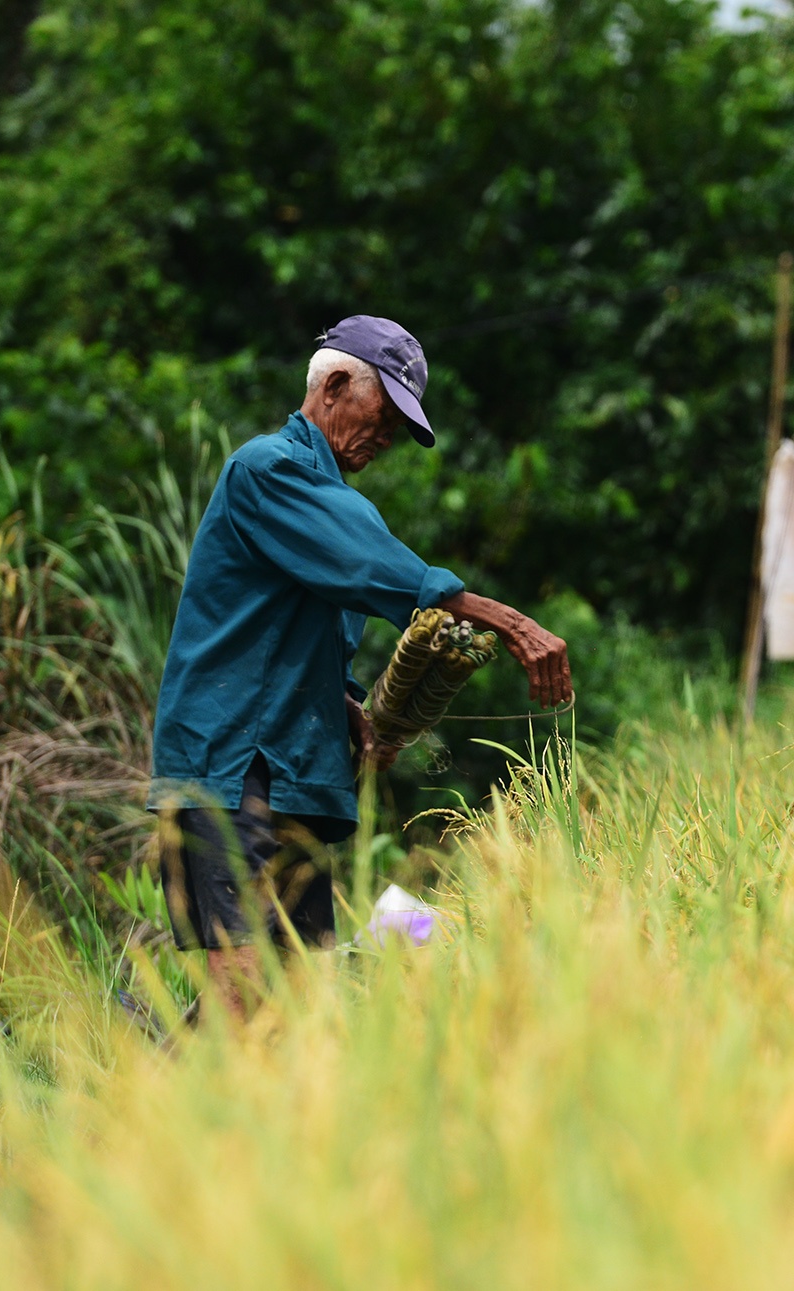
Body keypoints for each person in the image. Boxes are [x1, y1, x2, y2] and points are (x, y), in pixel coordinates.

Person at [150, 315, 572, 1019]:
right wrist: (514, 622)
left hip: (298, 770)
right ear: (336, 384)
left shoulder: (340, 504)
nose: (389, 437)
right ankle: (126, 1119)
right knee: (248, 989)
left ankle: (136, 1106)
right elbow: (375, 570)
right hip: (232, 764)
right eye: (386, 415)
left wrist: (350, 704)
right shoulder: (268, 469)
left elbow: (314, 634)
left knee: (296, 1001)